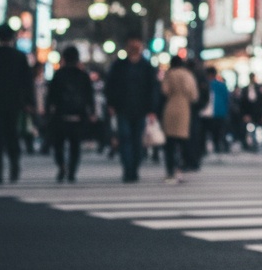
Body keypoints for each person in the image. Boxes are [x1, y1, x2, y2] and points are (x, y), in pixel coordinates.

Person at [0, 24, 34, 184]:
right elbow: (27, 82)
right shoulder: (20, 57)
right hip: (15, 102)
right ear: (12, 38)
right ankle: (14, 166)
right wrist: (29, 102)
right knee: (12, 135)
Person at [104, 35, 159, 183]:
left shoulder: (147, 66)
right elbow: (110, 86)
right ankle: (128, 169)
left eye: (137, 43)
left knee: (137, 141)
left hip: (141, 109)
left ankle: (134, 168)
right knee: (125, 138)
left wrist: (153, 109)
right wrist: (111, 104)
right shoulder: (119, 65)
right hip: (122, 108)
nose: (135, 46)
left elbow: (153, 88)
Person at [46, 46, 95, 182]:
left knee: (59, 144)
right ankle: (72, 170)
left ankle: (61, 166)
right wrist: (92, 111)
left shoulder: (58, 74)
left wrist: (48, 109)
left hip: (60, 113)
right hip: (78, 114)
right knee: (75, 145)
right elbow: (89, 95)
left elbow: (51, 95)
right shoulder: (83, 75)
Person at [161, 57, 199, 184]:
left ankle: (170, 170)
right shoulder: (188, 75)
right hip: (184, 109)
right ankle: (180, 170)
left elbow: (165, 90)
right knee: (183, 141)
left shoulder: (169, 74)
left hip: (170, 107)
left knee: (170, 143)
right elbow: (194, 96)